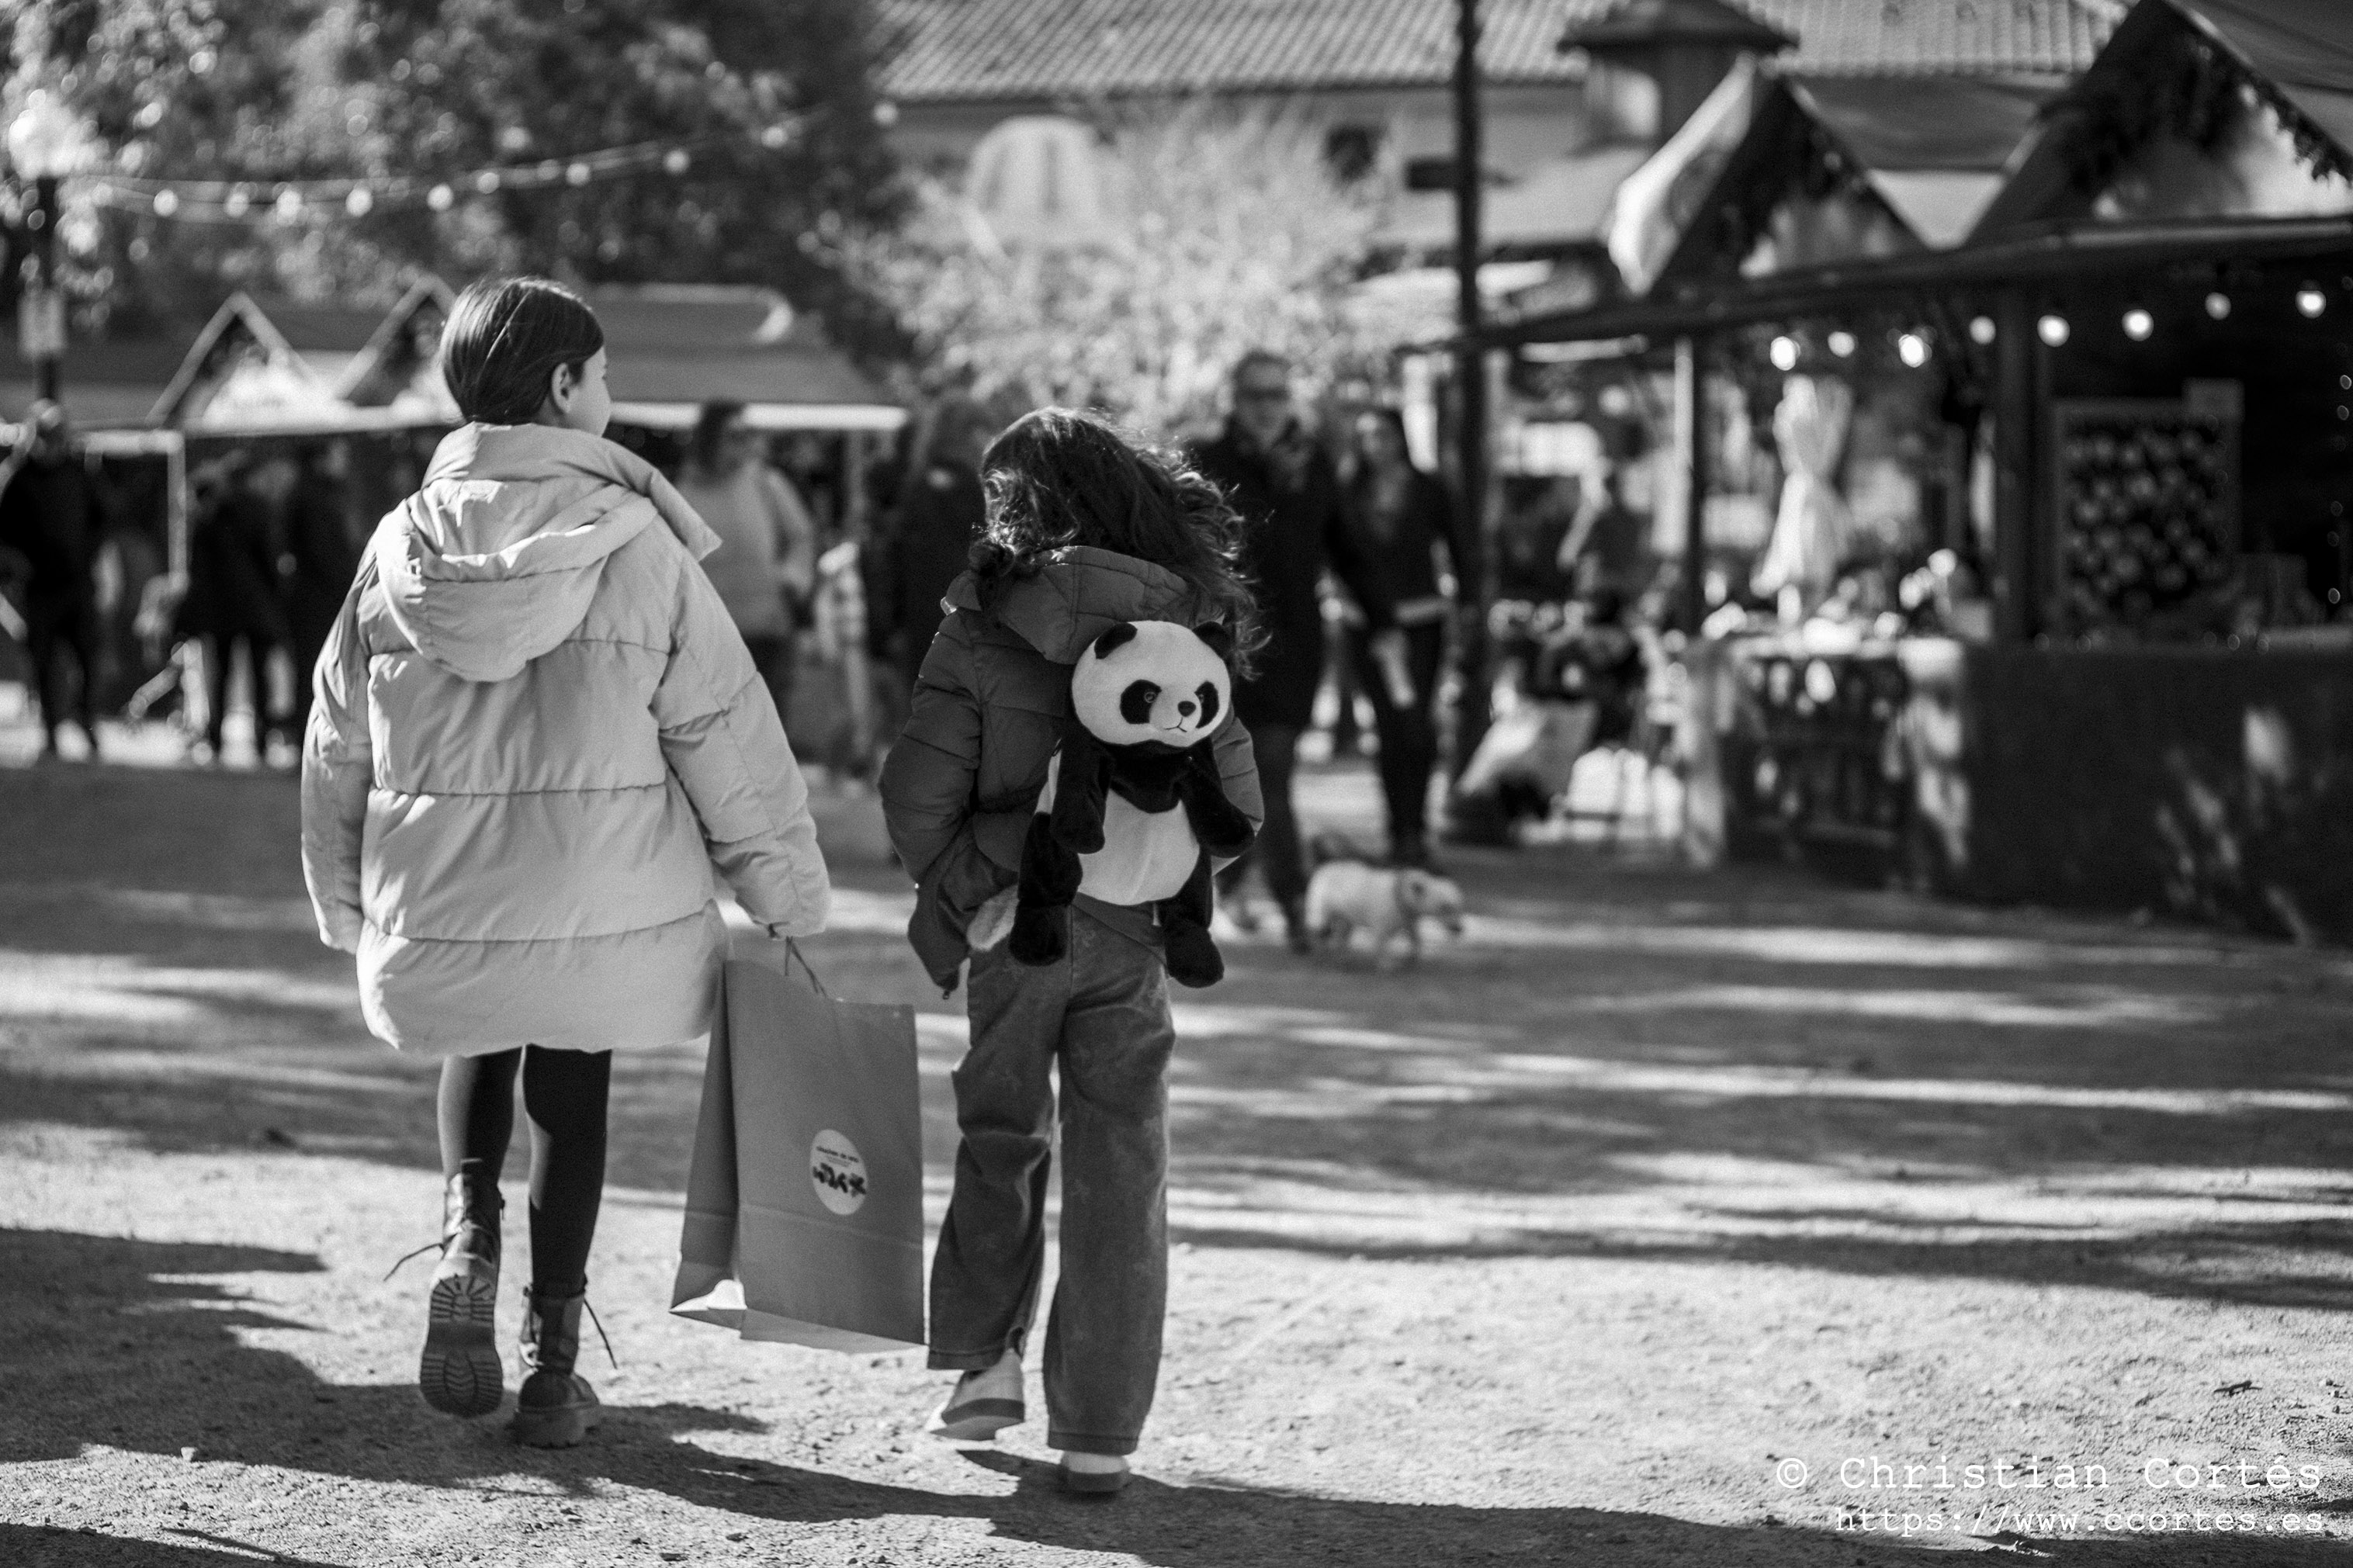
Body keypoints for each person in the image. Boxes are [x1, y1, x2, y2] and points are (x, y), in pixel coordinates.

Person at [299, 278, 829, 1448]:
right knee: (570, 1096)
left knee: (477, 1042)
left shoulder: (396, 548)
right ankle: (551, 1363)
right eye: (602, 374)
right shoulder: (641, 550)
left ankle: (467, 1239)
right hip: (602, 889)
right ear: (561, 387)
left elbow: (339, 736)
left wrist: (346, 901)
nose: (612, 394)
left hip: (443, 889)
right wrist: (781, 888)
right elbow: (723, 735)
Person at [878, 408, 1263, 1495]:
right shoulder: (1192, 621)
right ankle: (1099, 1430)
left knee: (1001, 1134)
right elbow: (1235, 799)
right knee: (1122, 1161)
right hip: (1135, 938)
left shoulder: (981, 624)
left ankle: (982, 1368)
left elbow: (917, 794)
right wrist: (1147, 878)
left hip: (1016, 931)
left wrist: (968, 889)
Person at [1188, 351, 1371, 950]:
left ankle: (1282, 893)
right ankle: (1273, 889)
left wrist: (1386, 614)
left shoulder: (1315, 461)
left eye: (1277, 394)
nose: (1268, 406)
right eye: (1255, 395)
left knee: (1270, 768)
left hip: (1294, 641)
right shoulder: (1206, 461)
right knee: (1244, 773)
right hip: (1225, 638)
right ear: (1235, 401)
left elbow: (1344, 544)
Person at [1340, 407, 1461, 868]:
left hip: (1421, 620)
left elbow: (1459, 545)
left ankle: (1417, 828)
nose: (1375, 445)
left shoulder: (1428, 488)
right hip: (1366, 624)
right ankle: (1398, 834)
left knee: (1417, 727)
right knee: (1388, 727)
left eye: (1384, 434)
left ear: (1400, 437)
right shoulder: (1348, 489)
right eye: (1366, 436)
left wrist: (1469, 607)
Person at [674, 401, 817, 724]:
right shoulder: (684, 491)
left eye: (748, 434)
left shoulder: (766, 483)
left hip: (768, 627)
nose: (745, 444)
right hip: (711, 634)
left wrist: (792, 578)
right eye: (734, 435)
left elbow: (801, 535)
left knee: (768, 725)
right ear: (710, 438)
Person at [0, 401, 106, 759]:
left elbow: (102, 519)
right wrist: (16, 565)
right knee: (43, 661)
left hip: (76, 582)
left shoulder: (78, 474)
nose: (53, 445)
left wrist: (92, 558)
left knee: (88, 656)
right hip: (40, 587)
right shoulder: (18, 477)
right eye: (46, 437)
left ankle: (86, 720)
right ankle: (50, 732)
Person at [182, 453, 296, 763]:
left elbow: (197, 564)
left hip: (221, 607)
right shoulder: (259, 509)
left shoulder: (210, 510)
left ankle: (216, 739)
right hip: (254, 604)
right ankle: (261, 741)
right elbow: (271, 559)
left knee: (220, 674)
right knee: (260, 677)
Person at [876, 395, 993, 697]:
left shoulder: (916, 487)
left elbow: (894, 561)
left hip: (919, 624)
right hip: (967, 625)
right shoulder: (976, 491)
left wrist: (890, 624)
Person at [285, 440, 370, 742]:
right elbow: (324, 555)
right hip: (319, 601)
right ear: (321, 460)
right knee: (314, 668)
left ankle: (310, 737)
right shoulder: (314, 498)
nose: (343, 461)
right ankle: (309, 738)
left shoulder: (315, 495)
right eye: (337, 455)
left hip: (316, 599)